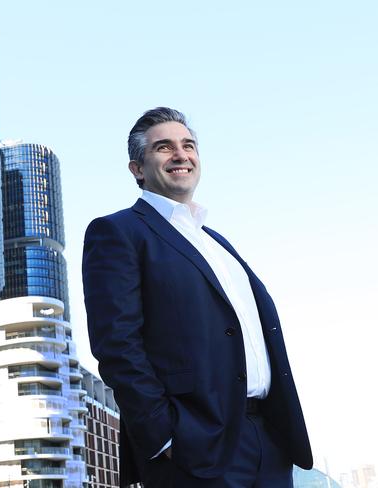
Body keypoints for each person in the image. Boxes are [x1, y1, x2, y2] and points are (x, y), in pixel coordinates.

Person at [82, 107, 312, 487]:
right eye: (164, 147)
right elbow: (117, 344)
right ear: (137, 169)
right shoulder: (117, 232)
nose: (180, 154)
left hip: (268, 441)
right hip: (196, 446)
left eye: (188, 145)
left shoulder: (217, 242)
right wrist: (166, 437)